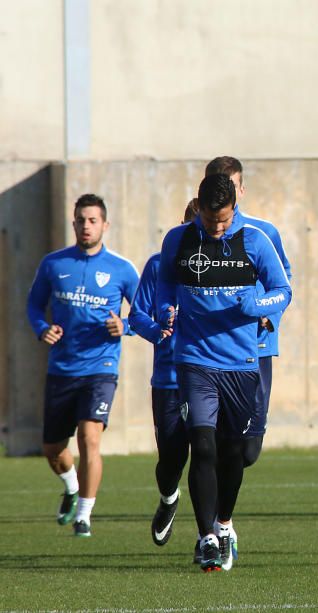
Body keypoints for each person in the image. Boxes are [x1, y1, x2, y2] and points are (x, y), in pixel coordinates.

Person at [157, 174, 291, 571]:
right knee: (202, 444)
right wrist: (167, 308)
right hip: (194, 360)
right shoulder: (178, 239)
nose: (218, 228)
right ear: (198, 206)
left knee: (233, 454)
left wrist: (258, 306)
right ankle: (206, 539)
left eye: (225, 220)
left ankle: (224, 521)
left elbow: (283, 290)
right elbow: (166, 282)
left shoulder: (254, 240)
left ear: (235, 208)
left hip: (241, 363)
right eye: (211, 219)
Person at [193, 156, 293, 564]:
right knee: (206, 444)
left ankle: (222, 517)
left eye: (232, 186)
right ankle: (215, 529)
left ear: (241, 190)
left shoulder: (262, 233)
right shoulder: (193, 236)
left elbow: (283, 281)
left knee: (245, 450)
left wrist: (266, 313)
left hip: (255, 351)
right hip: (205, 357)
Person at [26, 194, 140, 537]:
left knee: (90, 436)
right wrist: (42, 329)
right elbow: (33, 306)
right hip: (62, 369)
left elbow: (143, 313)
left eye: (93, 220)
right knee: (53, 449)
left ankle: (85, 516)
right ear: (73, 223)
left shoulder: (121, 269)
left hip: (101, 368)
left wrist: (126, 326)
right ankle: (71, 486)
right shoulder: (53, 264)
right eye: (80, 220)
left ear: (105, 225)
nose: (86, 226)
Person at [128, 201, 197, 547]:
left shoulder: (221, 267)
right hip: (168, 380)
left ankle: (214, 530)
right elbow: (136, 315)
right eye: (189, 227)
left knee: (207, 453)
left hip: (206, 374)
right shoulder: (158, 266)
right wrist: (157, 331)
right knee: (171, 458)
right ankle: (169, 499)